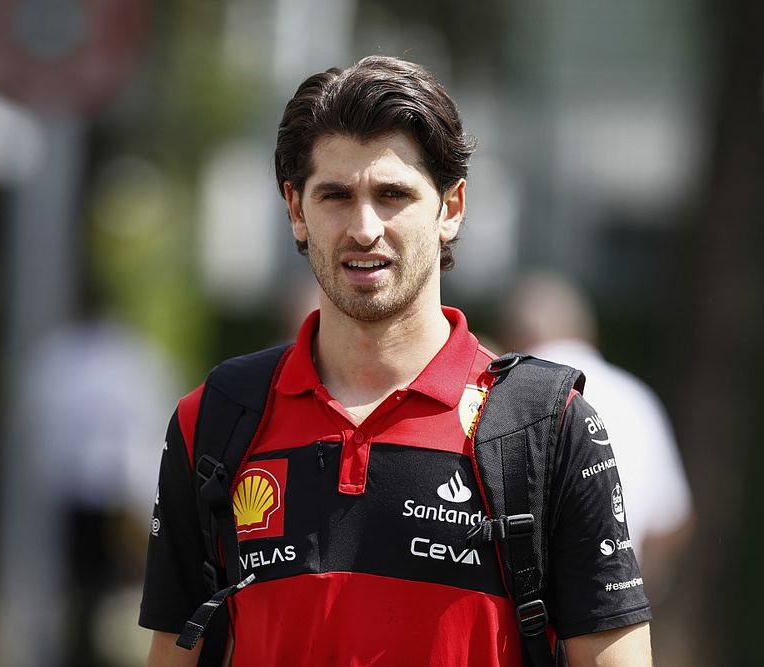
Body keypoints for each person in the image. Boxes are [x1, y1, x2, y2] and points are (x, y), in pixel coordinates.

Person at [139, 55, 652, 666]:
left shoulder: (548, 427)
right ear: (296, 210)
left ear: (451, 208)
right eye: (335, 195)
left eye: (393, 194)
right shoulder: (216, 419)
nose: (363, 227)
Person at [499, 270, 694, 601]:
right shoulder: (636, 397)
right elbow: (672, 524)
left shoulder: (508, 390)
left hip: (523, 611)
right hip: (614, 607)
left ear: (514, 335)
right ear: (588, 333)